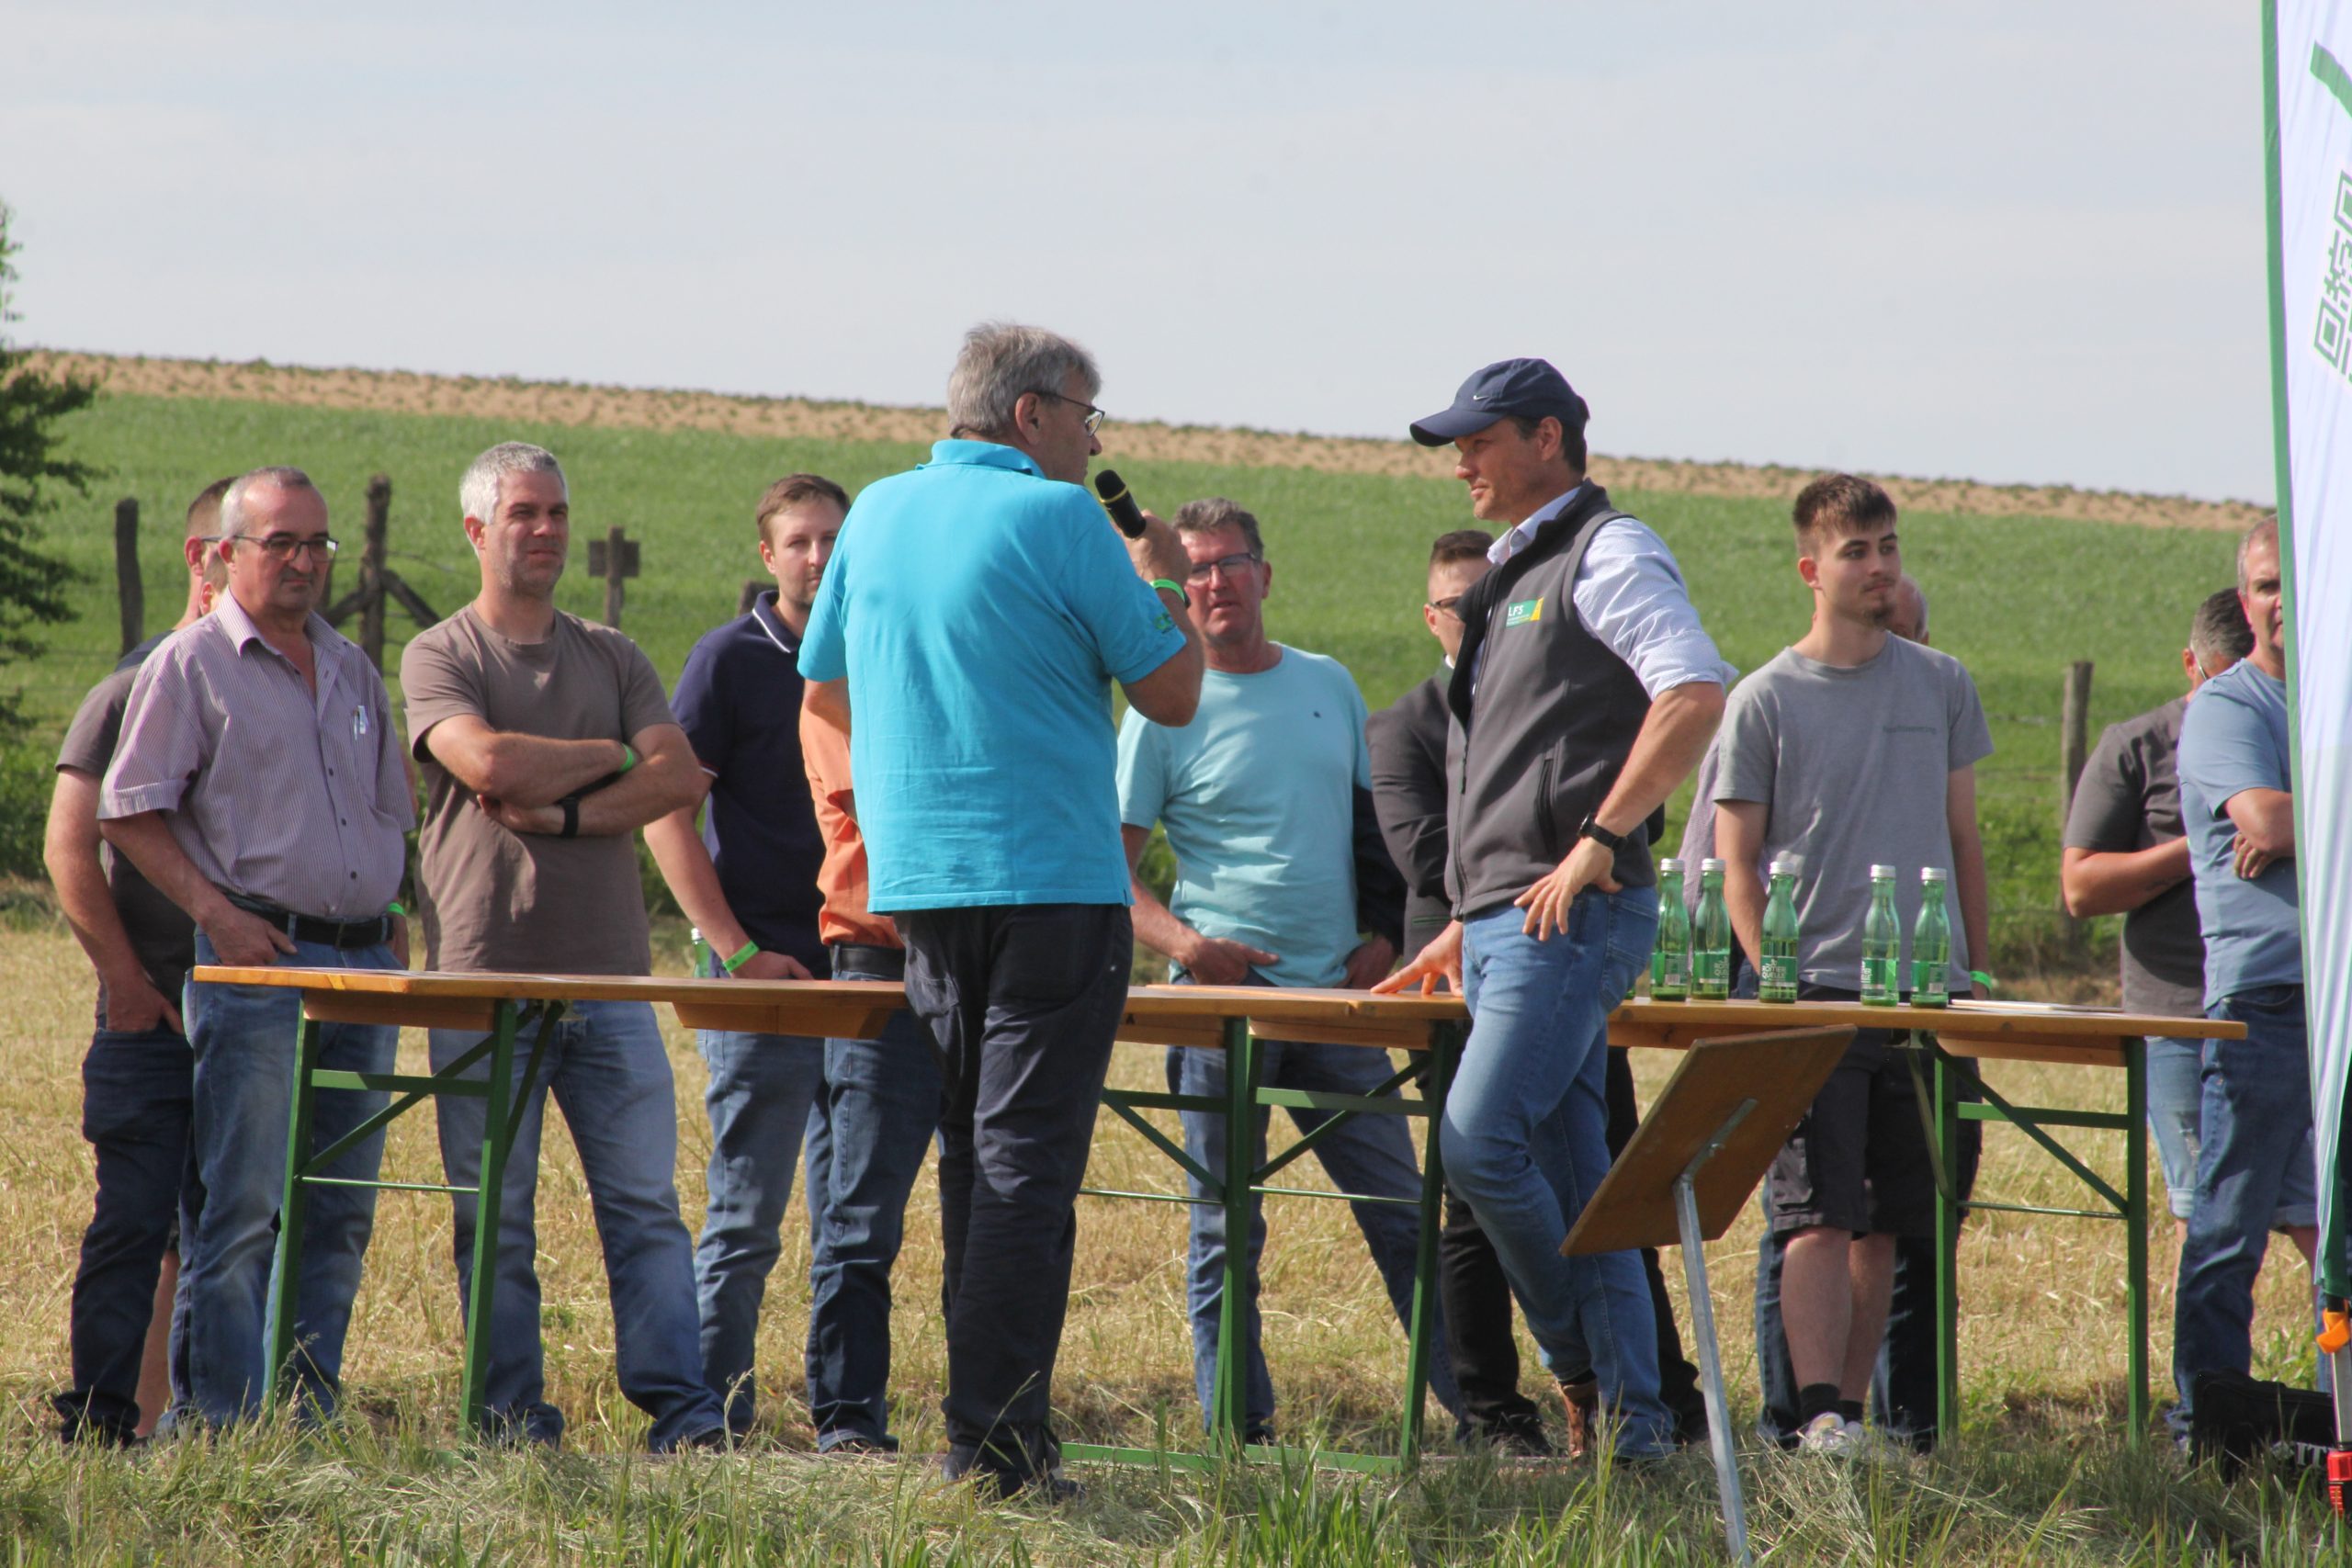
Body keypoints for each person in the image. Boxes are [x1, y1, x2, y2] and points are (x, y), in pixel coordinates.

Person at [798, 321, 1202, 1497]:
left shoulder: (876, 511)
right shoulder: (1062, 518)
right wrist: (1158, 577)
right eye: (1086, 415)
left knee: (976, 1159)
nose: (1094, 441)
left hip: (924, 888)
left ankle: (986, 1433)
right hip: (1054, 884)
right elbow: (1175, 692)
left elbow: (825, 688)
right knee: (1026, 1168)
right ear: (1030, 415)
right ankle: (993, 1448)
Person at [1376, 357, 1729, 1463]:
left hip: (1569, 915)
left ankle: (1575, 1366)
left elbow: (1694, 692)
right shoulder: (1510, 573)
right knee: (1581, 1182)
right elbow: (1509, 769)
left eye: (1478, 441)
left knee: (1477, 1143)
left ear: (1546, 437)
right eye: (1456, 447)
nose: (1462, 464)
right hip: (1505, 921)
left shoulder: (1607, 550)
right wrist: (1467, 914)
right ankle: (1637, 1435)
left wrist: (1600, 839)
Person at [401, 442, 726, 1452]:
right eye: (523, 514)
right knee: (494, 1214)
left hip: (611, 982)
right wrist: (616, 753)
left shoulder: (614, 655)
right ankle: (510, 1419)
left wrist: (570, 812)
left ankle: (683, 1414)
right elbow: (489, 762)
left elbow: (681, 780)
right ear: (476, 531)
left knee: (646, 1209)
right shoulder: (441, 655)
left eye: (556, 513)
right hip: (482, 982)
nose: (545, 530)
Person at [1116, 496, 1460, 1445]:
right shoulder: (1160, 708)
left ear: (1264, 575)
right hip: (1222, 1011)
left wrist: (1385, 933)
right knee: (1227, 1229)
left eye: (1230, 563)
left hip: (1339, 1003)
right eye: (1194, 569)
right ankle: (1239, 1433)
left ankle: (1480, 1417)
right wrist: (1189, 950)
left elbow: (1379, 831)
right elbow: (1109, 867)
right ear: (1176, 589)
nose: (1214, 582)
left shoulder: (1327, 683)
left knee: (1403, 1215)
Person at [98, 466, 413, 1427]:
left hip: (364, 970)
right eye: (281, 543)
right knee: (239, 1209)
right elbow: (127, 810)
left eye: (318, 544)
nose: (304, 561)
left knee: (340, 1208)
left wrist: (393, 914)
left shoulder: (353, 668)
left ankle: (304, 1419)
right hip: (260, 968)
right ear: (226, 555)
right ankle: (221, 1426)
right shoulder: (192, 665)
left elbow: (390, 814)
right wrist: (218, 914)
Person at [1712, 474, 1993, 1454]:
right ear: (1810, 570)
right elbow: (1736, 865)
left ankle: (1855, 1418)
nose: (1879, 568)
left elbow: (1964, 840)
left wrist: (1973, 981)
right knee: (1815, 1217)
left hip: (1925, 999)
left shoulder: (1942, 682)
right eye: (1856, 552)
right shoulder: (1762, 699)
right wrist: (1774, 985)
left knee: (1891, 1222)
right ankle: (1812, 1417)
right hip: (1815, 994)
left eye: (1888, 547)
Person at [641, 474, 838, 1440]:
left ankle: (849, 1419)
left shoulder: (875, 656)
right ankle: (712, 1416)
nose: (819, 558)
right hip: (763, 973)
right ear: (768, 555)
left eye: (833, 539)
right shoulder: (729, 660)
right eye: (800, 541)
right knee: (748, 1216)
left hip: (867, 974)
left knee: (855, 1224)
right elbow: (664, 812)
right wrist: (738, 950)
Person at [45, 479, 232, 1443]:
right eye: (251, 548)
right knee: (135, 1224)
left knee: (234, 1228)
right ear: (204, 560)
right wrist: (124, 982)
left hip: (252, 1005)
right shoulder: (132, 686)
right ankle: (104, 1424)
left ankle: (204, 1430)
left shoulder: (282, 689)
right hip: (152, 1011)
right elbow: (69, 846)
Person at [2063, 590, 2308, 1258]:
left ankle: (2327, 1325)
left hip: (2282, 996)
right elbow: (2080, 888)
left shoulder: (2300, 727)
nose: (2233, 695)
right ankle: (2209, 1331)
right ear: (2190, 664)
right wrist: (2205, 838)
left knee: (2313, 1205)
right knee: (2206, 1208)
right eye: (2219, 678)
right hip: (2175, 1008)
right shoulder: (2136, 746)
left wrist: (2282, 823)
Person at [2171, 518, 2311, 1429]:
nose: (2280, 601)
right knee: (2229, 1226)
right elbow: (2262, 822)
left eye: (2294, 580)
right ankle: (2209, 1425)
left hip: (2339, 1002)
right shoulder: (2228, 708)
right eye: (2265, 585)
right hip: (2266, 1001)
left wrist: (2309, 820)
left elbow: (2290, 821)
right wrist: (2289, 820)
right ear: (2244, 599)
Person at [797, 669, 944, 1455]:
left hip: (982, 959)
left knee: (994, 1204)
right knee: (861, 1211)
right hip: (881, 963)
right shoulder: (835, 686)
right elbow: (882, 799)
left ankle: (991, 1420)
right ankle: (849, 1422)